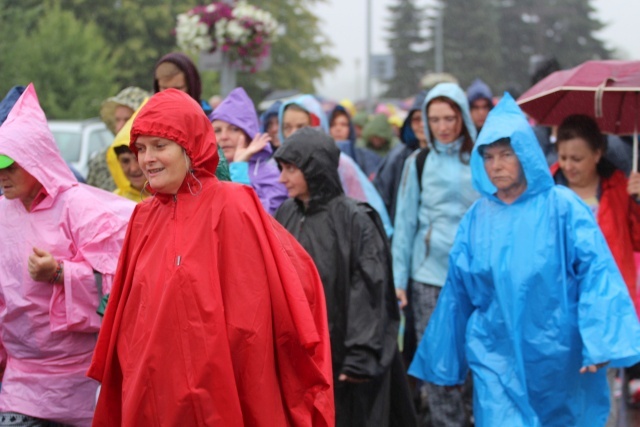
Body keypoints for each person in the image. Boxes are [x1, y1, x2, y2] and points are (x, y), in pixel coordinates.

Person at [88, 89, 334, 426]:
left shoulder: (233, 204)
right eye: (141, 148)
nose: (147, 159)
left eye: (160, 146)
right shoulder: (143, 218)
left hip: (223, 391)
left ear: (190, 146)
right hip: (153, 394)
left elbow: (282, 289)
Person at [409, 93, 640, 427]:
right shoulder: (477, 218)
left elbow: (596, 273)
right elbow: (458, 292)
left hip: (558, 354)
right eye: (488, 156)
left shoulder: (562, 207)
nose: (496, 165)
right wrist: (446, 358)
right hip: (495, 353)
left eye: (506, 154)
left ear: (527, 156)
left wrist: (598, 339)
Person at [0, 84, 134, 426]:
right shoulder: (2, 212)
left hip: (81, 381)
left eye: (8, 164)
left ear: (34, 159)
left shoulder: (80, 207)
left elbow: (123, 284)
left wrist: (60, 273)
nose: (1, 174)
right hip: (19, 383)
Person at [273, 127, 406, 427]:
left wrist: (360, 355)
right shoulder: (286, 214)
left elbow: (370, 289)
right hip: (302, 357)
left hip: (344, 359)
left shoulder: (356, 219)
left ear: (314, 167)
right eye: (282, 169)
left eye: (291, 169)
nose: (283, 178)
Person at [392, 82, 478, 426]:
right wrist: (399, 279)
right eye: (435, 119)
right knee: (439, 363)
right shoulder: (419, 162)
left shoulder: (483, 159)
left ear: (462, 118)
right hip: (428, 276)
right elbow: (405, 221)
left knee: (477, 359)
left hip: (475, 277)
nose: (443, 126)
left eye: (450, 118)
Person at [551, 114, 640, 427]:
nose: (568, 165)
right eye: (563, 157)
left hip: (607, 311)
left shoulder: (619, 189)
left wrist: (639, 201)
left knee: (601, 401)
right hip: (558, 312)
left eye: (577, 158)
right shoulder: (546, 191)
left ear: (598, 154)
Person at [278, 94, 394, 236]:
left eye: (301, 126)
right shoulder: (273, 166)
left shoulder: (340, 164)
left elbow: (370, 220)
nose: (293, 134)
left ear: (317, 125)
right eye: (287, 127)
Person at [153, 51, 230, 182]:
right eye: (164, 88)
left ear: (192, 86)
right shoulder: (150, 125)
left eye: (177, 88)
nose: (170, 95)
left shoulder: (209, 122)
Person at [210, 87, 288, 214]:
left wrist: (239, 167)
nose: (224, 136)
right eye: (217, 130)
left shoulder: (271, 176)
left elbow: (257, 221)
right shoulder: (203, 175)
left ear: (248, 133)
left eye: (234, 129)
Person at [373, 90, 428, 224]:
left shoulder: (447, 156)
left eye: (426, 118)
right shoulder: (397, 156)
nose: (421, 124)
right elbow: (382, 197)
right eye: (416, 119)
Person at [86, 87, 149, 192]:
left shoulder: (156, 159)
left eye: (127, 120)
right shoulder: (100, 162)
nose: (120, 127)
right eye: (117, 120)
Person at [329, 105, 381, 179]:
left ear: (350, 128)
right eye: (333, 125)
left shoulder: (364, 157)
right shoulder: (322, 157)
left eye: (343, 124)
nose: (338, 128)